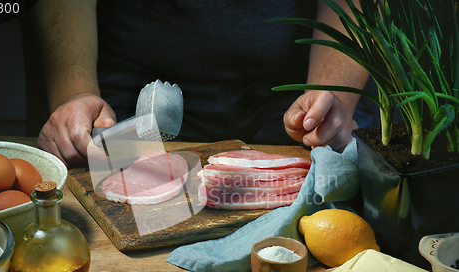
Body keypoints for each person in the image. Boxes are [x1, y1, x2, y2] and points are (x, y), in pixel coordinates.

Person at [31, 0, 369, 167]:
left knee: (339, 191)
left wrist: (332, 95)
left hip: (299, 79)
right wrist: (74, 91)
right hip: (135, 75)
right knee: (94, 183)